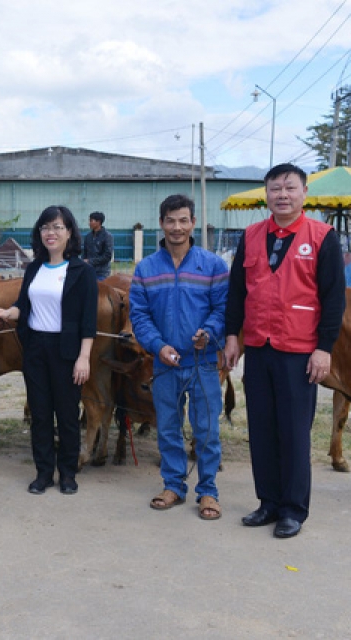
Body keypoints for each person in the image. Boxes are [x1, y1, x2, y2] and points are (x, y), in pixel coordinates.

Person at [223, 163, 346, 539]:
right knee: (261, 430)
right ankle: (269, 502)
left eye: (290, 188)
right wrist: (232, 336)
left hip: (299, 350)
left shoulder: (322, 237)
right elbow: (237, 292)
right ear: (266, 194)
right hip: (259, 347)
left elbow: (334, 298)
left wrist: (324, 349)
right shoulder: (252, 235)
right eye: (275, 188)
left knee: (293, 432)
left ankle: (294, 509)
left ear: (304, 193)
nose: (282, 195)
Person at [130, 194, 229, 520]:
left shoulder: (212, 265)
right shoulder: (146, 269)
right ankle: (173, 485)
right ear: (162, 223)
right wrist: (158, 345)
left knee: (206, 430)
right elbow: (140, 316)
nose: (177, 227)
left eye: (183, 220)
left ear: (193, 223)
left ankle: (208, 491)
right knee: (168, 429)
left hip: (202, 362)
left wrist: (209, 333)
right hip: (164, 363)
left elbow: (222, 309)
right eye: (170, 220)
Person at [0, 205, 97, 495]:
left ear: (70, 232)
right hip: (36, 348)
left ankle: (67, 474)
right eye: (45, 227)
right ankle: (42, 473)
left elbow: (89, 321)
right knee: (40, 414)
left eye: (57, 227)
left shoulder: (82, 271)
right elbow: (24, 307)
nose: (51, 233)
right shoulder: (35, 268)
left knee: (66, 415)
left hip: (68, 352)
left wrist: (83, 357)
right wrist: (7, 312)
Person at [83, 210, 114, 280]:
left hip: (101, 273)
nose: (89, 223)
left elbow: (107, 256)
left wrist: (90, 261)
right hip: (88, 271)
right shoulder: (88, 236)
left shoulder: (107, 236)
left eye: (91, 221)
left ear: (98, 222)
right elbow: (85, 253)